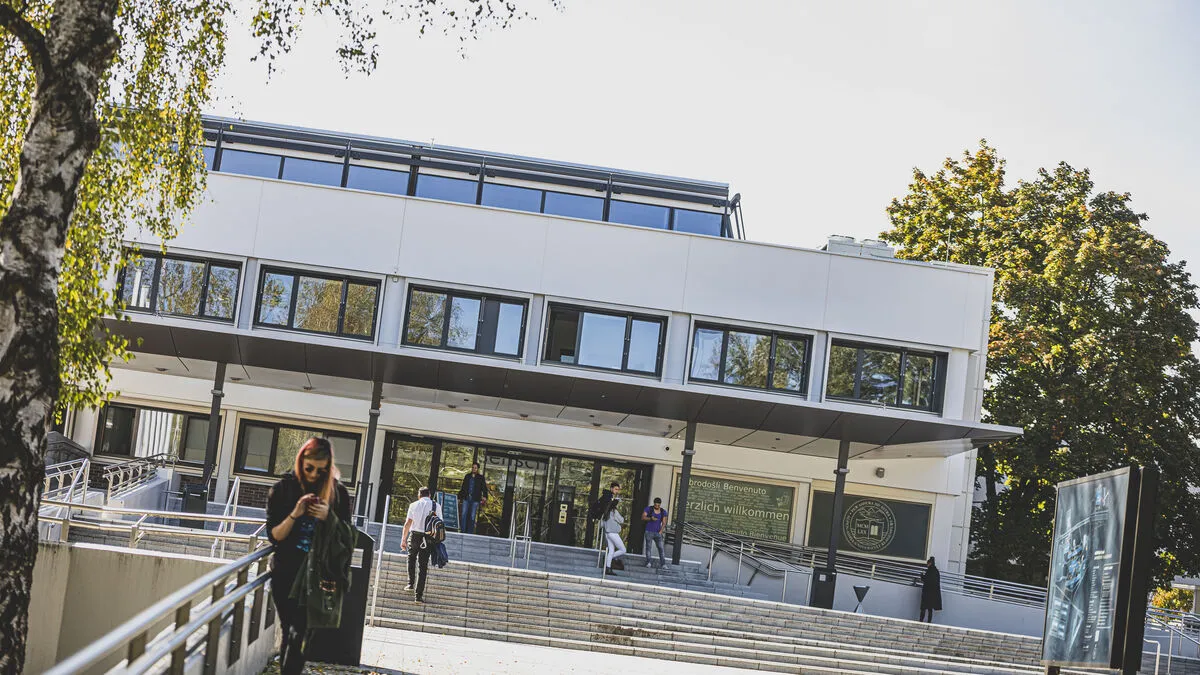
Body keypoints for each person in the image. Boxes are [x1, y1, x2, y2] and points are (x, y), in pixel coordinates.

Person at [266, 437, 351, 675]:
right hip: (286, 574)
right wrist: (296, 513)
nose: (314, 475)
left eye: (321, 471)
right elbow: (275, 535)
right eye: (309, 468)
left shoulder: (338, 494)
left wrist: (329, 517)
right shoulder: (283, 489)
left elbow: (348, 539)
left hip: (319, 579)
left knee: (300, 634)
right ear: (300, 461)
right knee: (291, 631)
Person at [401, 486, 442, 603]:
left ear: (419, 495)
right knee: (423, 566)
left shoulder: (413, 505)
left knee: (411, 557)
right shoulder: (436, 506)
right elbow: (440, 524)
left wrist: (403, 539)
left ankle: (410, 583)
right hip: (428, 538)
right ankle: (418, 596)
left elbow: (407, 523)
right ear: (429, 495)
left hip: (414, 535)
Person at [457, 462, 488, 534]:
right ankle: (463, 530)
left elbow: (484, 488)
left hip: (475, 499)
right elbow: (463, 487)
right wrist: (459, 497)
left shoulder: (480, 478)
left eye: (475, 468)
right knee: (464, 514)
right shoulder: (467, 476)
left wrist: (485, 496)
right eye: (473, 467)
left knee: (472, 516)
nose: (474, 469)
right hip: (466, 498)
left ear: (478, 469)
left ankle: (470, 531)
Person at [641, 497, 668, 569]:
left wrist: (661, 531)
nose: (657, 506)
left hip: (658, 533)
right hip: (649, 531)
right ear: (654, 504)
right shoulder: (649, 509)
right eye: (656, 505)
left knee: (661, 548)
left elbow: (664, 523)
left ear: (660, 504)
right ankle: (648, 562)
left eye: (658, 505)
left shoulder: (663, 511)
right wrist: (650, 518)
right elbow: (643, 517)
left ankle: (663, 564)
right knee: (648, 548)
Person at [601, 497, 625, 576]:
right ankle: (608, 558)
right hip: (613, 533)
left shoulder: (605, 512)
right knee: (623, 550)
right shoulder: (614, 512)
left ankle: (608, 568)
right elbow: (621, 520)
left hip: (607, 533)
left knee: (611, 550)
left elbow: (602, 524)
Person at [919, 556, 943, 622]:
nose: (927, 565)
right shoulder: (936, 571)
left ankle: (921, 621)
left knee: (923, 607)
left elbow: (926, 580)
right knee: (930, 608)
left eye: (928, 563)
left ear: (930, 563)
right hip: (933, 593)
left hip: (927, 592)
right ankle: (929, 622)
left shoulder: (930, 571)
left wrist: (922, 576)